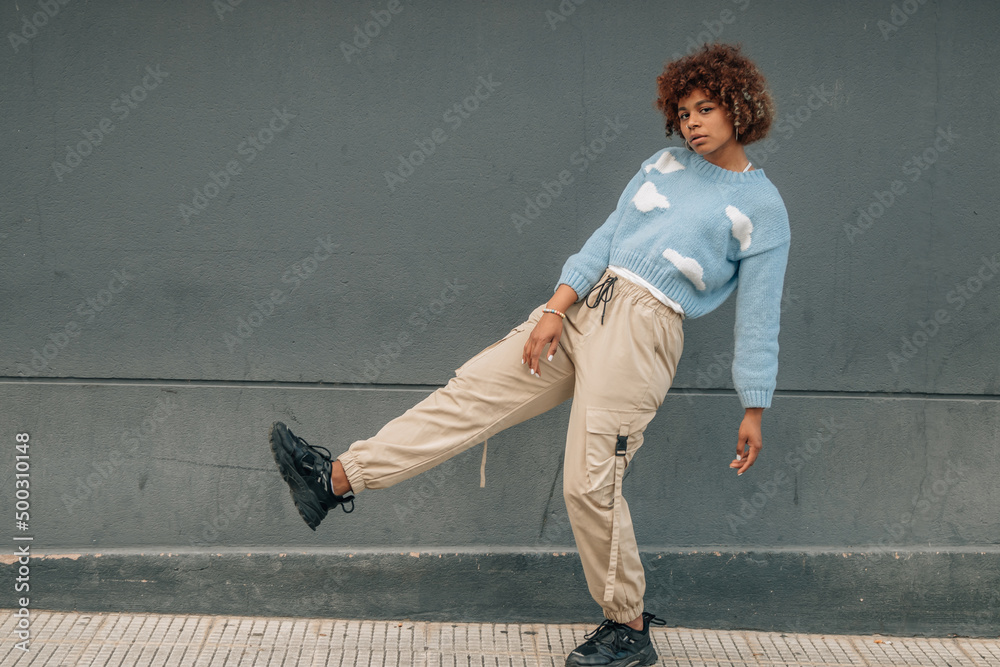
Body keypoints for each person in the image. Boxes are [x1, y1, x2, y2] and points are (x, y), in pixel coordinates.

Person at [269, 42, 790, 667]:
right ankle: (335, 478)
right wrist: (553, 309)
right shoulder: (662, 165)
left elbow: (761, 314)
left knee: (588, 483)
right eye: (683, 113)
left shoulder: (764, 207)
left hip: (643, 332)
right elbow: (605, 238)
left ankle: (627, 626)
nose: (693, 123)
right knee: (470, 395)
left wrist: (754, 407)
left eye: (706, 108)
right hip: (582, 307)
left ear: (740, 106)